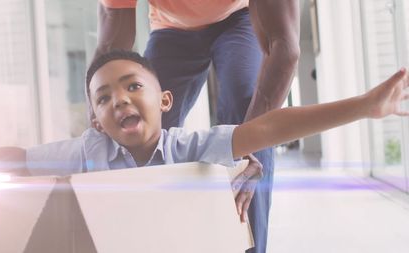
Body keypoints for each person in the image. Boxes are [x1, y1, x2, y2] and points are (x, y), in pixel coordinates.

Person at [0, 51, 409, 251]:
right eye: (102, 98)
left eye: (132, 86)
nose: (118, 100)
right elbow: (13, 157)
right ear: (96, 119)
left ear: (165, 101)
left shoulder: (190, 148)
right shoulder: (87, 150)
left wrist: (364, 106)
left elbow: (266, 128)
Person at [95, 2, 300, 251]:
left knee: (244, 109)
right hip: (171, 26)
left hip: (241, 15)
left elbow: (284, 49)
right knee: (142, 124)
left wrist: (250, 150)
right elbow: (108, 53)